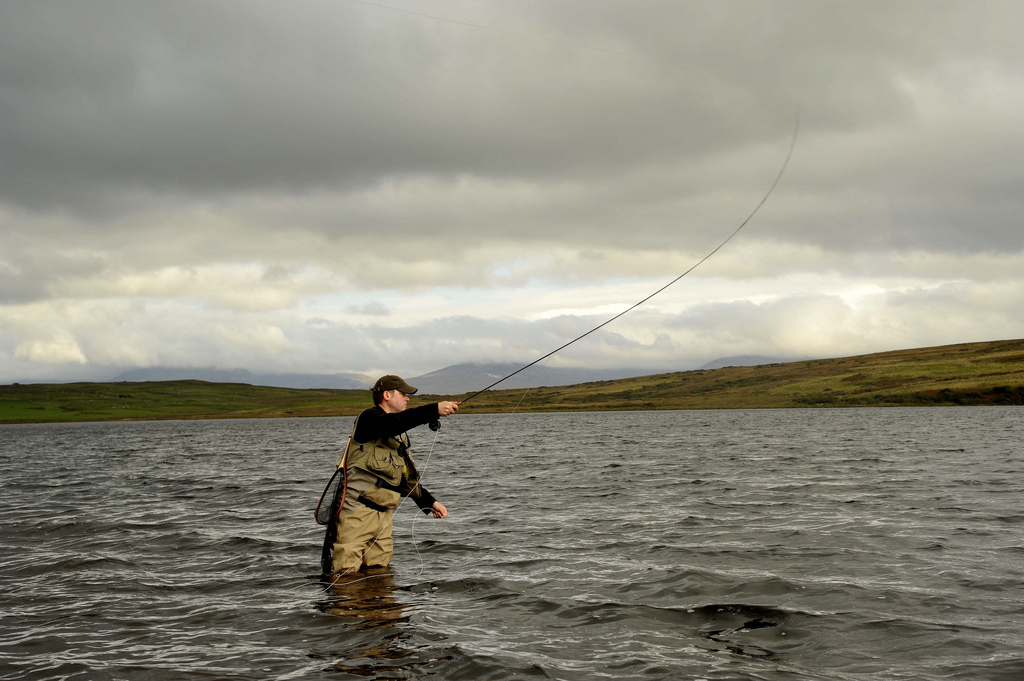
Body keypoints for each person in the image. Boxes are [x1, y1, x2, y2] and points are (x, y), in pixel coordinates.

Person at [321, 375, 460, 575]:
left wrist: (429, 502)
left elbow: (403, 479)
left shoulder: (399, 434)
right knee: (344, 575)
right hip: (356, 513)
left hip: (384, 516)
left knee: (380, 575)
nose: (408, 398)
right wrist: (433, 409)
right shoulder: (369, 419)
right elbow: (392, 423)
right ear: (387, 395)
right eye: (403, 394)